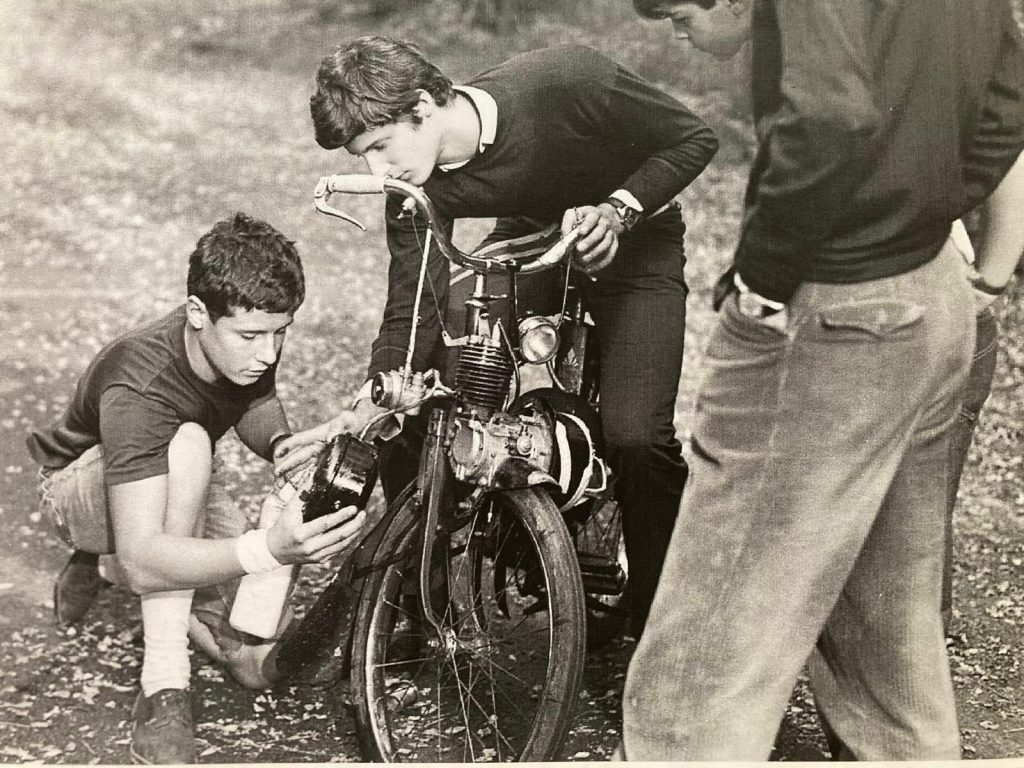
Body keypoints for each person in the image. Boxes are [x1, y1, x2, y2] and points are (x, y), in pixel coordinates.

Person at [620, 0, 1024, 760]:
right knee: (888, 646)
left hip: (834, 307)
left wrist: (764, 279)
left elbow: (830, 114)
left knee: (707, 652)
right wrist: (921, 208)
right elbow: (1010, 100)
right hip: (933, 291)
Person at [278, 36, 718, 638]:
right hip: (535, 238)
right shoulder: (411, 186)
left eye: (381, 146)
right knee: (419, 402)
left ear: (424, 107)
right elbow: (413, 307)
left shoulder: (567, 80)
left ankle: (661, 628)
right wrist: (379, 395)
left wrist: (620, 210)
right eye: (363, 156)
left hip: (634, 243)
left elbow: (694, 138)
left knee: (637, 438)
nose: (379, 172)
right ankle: (426, 610)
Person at [26, 213, 367, 764]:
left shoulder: (242, 333)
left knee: (253, 660)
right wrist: (266, 550)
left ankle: (113, 568)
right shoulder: (140, 384)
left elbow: (254, 399)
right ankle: (162, 684)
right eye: (252, 336)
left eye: (281, 332)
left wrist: (281, 444)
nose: (268, 353)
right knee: (186, 451)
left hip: (172, 480)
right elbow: (145, 562)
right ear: (196, 313)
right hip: (76, 489)